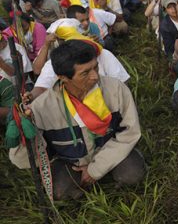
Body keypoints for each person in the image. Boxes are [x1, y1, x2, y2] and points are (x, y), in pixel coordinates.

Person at [9, 40, 144, 200]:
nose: (95, 76)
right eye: (85, 73)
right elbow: (25, 159)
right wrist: (23, 137)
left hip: (109, 150)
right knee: (60, 191)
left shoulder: (115, 90)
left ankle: (106, 172)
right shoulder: (41, 108)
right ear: (62, 77)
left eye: (95, 67)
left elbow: (129, 133)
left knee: (132, 174)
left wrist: (96, 169)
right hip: (71, 162)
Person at [31, 18, 129, 98]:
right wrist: (31, 98)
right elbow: (41, 87)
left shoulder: (103, 55)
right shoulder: (54, 62)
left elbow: (123, 84)